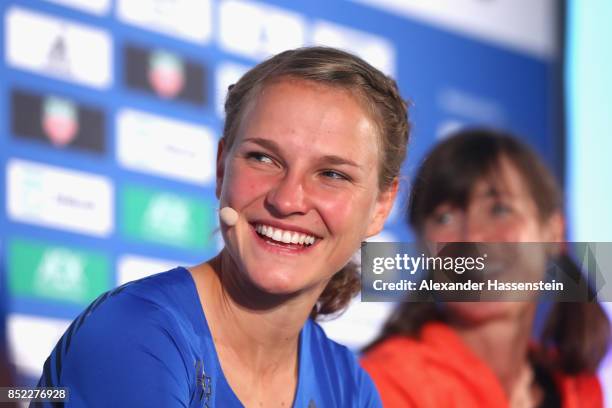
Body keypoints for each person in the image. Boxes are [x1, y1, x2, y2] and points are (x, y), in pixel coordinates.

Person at [34, 47, 410, 407]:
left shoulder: (348, 384)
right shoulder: (135, 333)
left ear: (381, 206)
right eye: (263, 158)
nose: (288, 200)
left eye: (331, 174)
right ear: (221, 167)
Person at [361, 129, 610, 408]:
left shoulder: (580, 389)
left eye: (500, 210)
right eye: (445, 217)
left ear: (553, 233)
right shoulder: (386, 384)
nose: (474, 236)